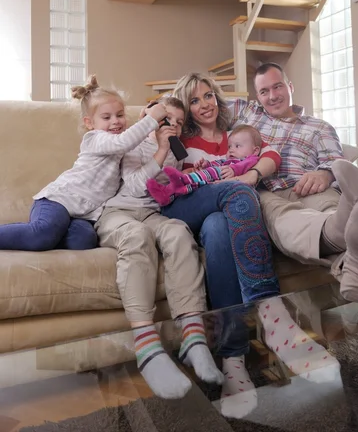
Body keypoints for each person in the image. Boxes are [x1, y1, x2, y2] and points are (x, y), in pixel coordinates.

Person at [159, 73, 336, 419]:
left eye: (209, 96)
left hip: (221, 217)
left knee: (218, 226)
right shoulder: (183, 137)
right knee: (236, 195)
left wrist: (252, 174)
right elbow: (165, 180)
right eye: (194, 100)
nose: (204, 104)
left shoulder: (236, 135)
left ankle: (234, 360)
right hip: (186, 206)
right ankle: (272, 314)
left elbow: (269, 153)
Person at [229, 62, 358, 305]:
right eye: (264, 91)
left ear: (290, 86)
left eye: (278, 87)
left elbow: (333, 161)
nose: (273, 96)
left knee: (328, 201)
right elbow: (201, 102)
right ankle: (351, 233)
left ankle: (348, 221)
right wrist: (160, 111)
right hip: (263, 190)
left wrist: (326, 174)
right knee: (282, 217)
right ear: (257, 96)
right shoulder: (248, 114)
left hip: (306, 184)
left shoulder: (319, 127)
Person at [95, 97, 224, 400]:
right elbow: (137, 187)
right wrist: (161, 149)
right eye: (168, 119)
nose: (174, 126)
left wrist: (188, 174)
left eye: (179, 123)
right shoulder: (130, 142)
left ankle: (193, 339)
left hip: (153, 215)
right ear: (150, 116)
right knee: (138, 236)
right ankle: (147, 346)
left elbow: (166, 192)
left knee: (179, 232)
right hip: (119, 213)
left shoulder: (175, 154)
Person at [0, 75, 167, 251]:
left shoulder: (122, 145)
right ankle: (43, 232)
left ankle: (55, 232)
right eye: (106, 117)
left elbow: (134, 142)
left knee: (84, 241)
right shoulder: (95, 139)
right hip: (59, 200)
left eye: (120, 115)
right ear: (89, 123)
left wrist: (144, 122)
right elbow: (124, 142)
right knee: (43, 234)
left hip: (84, 215)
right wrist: (151, 120)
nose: (115, 121)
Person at [146, 124, 278, 206]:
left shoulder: (249, 158)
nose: (231, 149)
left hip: (228, 190)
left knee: (196, 181)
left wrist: (234, 169)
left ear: (255, 150)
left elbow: (253, 162)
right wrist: (205, 165)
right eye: (230, 146)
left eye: (237, 146)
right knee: (190, 186)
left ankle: (179, 181)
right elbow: (216, 165)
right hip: (209, 188)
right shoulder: (182, 139)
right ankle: (167, 193)